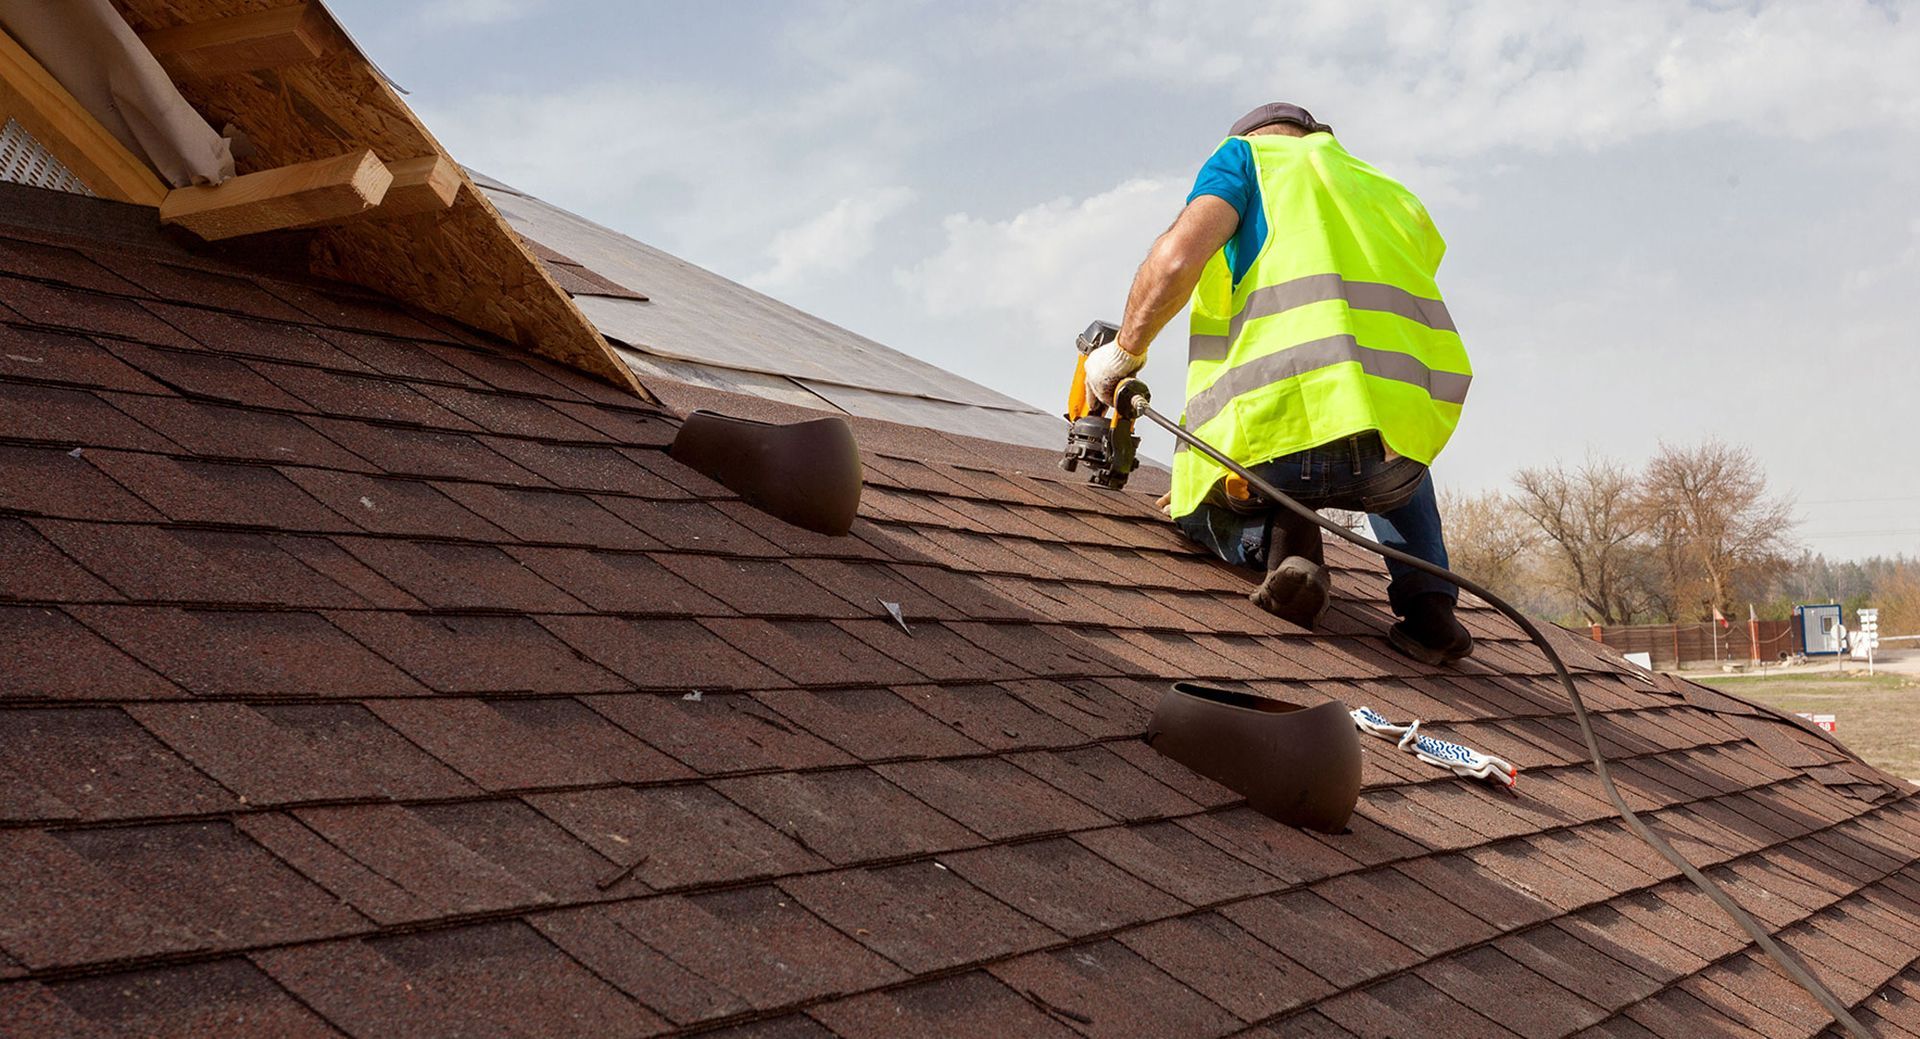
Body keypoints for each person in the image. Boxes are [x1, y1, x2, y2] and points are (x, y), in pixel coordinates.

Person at [1085, 102, 1475, 665]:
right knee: (1388, 442)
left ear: (1254, 138)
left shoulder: (1246, 160)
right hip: (1399, 453)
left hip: (1280, 450)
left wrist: (1123, 353)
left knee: (1195, 505)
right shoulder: (1384, 189)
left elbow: (1174, 262)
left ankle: (1288, 550)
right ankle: (1431, 610)